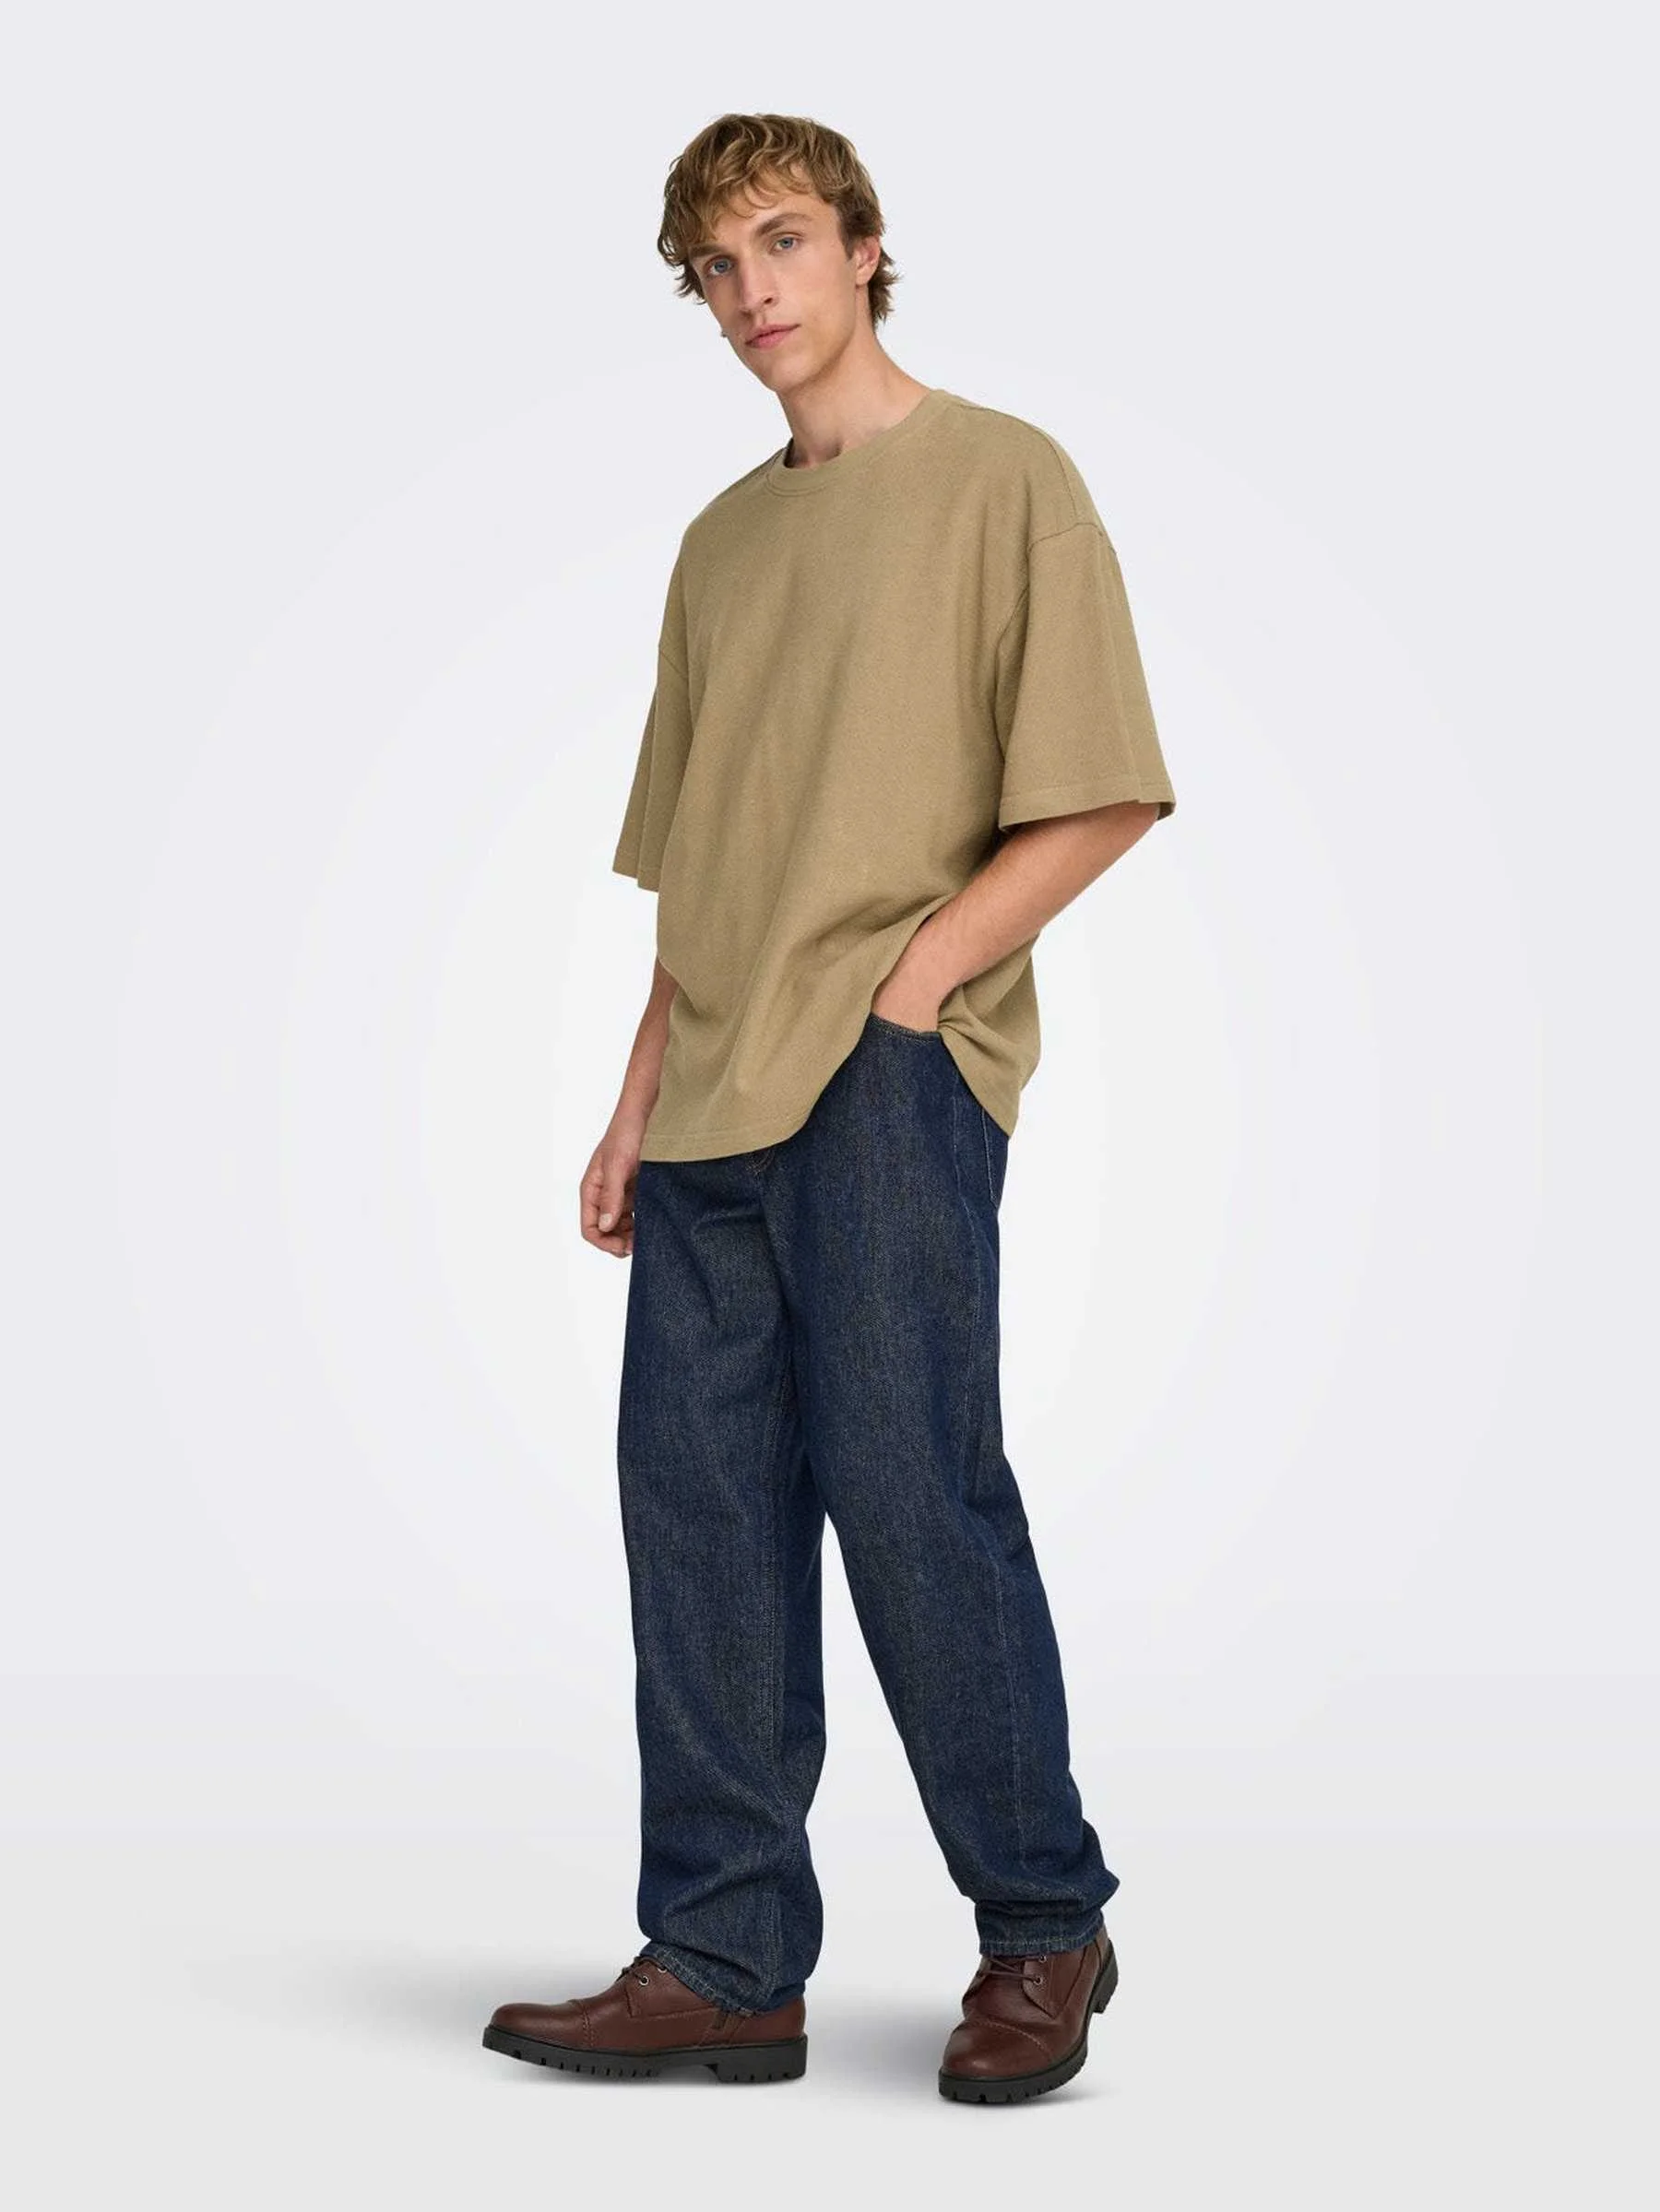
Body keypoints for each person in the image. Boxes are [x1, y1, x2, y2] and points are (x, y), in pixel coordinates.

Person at [483, 110, 1177, 2104]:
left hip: (886, 1079)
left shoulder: (1006, 482)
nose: (751, 291)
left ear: (867, 246)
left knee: (912, 1491)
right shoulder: (721, 545)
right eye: (714, 267)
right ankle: (723, 1955)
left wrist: (918, 984)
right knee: (698, 1521)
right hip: (712, 1092)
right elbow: (703, 861)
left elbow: (1103, 790)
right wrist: (634, 1096)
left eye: (782, 241)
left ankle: (1041, 1923)